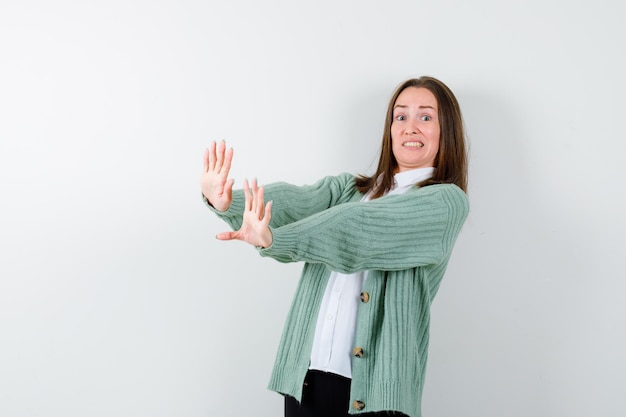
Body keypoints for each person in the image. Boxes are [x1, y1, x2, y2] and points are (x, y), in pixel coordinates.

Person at [200, 76, 469, 417]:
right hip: (307, 382)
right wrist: (229, 204)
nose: (410, 127)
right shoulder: (350, 189)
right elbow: (296, 202)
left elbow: (361, 232)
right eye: (400, 116)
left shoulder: (445, 202)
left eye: (425, 117)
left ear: (447, 130)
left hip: (375, 393)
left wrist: (276, 240)